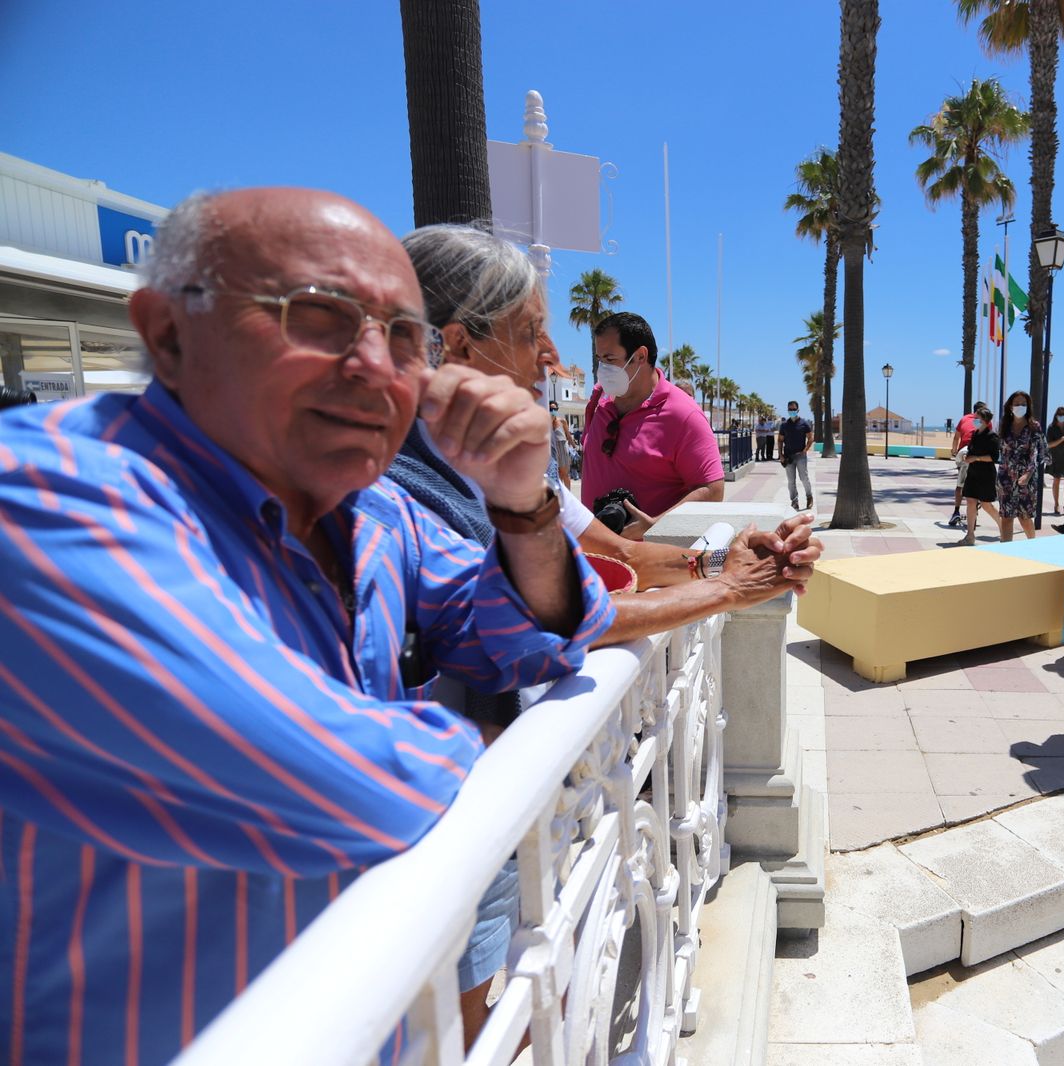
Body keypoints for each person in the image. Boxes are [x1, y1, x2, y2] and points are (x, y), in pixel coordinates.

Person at [0, 188, 618, 1065]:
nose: (372, 366)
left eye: (404, 337)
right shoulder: (48, 494)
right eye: (318, 317)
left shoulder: (373, 515)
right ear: (168, 333)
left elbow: (529, 636)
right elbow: (327, 780)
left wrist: (523, 504)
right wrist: (484, 744)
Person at [391, 224, 820, 1040]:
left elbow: (612, 556)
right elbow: (554, 622)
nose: (553, 356)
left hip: (519, 789)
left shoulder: (497, 457)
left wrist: (716, 561)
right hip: (448, 804)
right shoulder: (409, 486)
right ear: (458, 345)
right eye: (529, 331)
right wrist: (727, 590)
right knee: (475, 1022)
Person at [581, 311, 725, 536]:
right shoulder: (598, 400)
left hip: (647, 554)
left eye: (610, 359)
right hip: (593, 551)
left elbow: (713, 489)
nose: (603, 369)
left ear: (640, 356)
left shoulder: (683, 414)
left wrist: (656, 524)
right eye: (599, 359)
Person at [996, 390, 1047, 541]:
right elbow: (1001, 450)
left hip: (1027, 478)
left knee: (1024, 517)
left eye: (1023, 404)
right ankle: (1006, 550)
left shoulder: (1034, 426)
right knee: (1006, 517)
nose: (1020, 406)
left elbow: (1037, 452)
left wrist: (1028, 474)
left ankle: (1032, 546)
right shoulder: (1004, 425)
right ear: (1010, 406)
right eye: (1017, 403)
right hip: (1006, 476)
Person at [958, 407, 1002, 545]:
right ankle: (970, 535)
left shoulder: (992, 437)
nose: (975, 420)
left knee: (986, 505)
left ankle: (1003, 528)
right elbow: (971, 451)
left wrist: (976, 458)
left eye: (977, 419)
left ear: (985, 420)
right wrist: (966, 456)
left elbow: (994, 457)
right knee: (970, 502)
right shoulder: (975, 434)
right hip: (973, 473)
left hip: (986, 475)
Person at [949, 400, 985, 527]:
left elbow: (956, 437)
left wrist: (954, 451)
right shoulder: (985, 420)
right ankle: (975, 506)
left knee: (960, 484)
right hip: (975, 454)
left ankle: (956, 511)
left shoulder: (964, 419)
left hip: (963, 453)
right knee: (978, 482)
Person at [779, 399, 815, 510]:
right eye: (790, 409)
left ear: (798, 410)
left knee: (804, 478)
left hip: (800, 457)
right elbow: (780, 440)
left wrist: (805, 450)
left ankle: (809, 497)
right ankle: (794, 501)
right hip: (788, 456)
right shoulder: (784, 425)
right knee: (791, 481)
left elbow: (810, 438)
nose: (792, 411)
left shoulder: (804, 424)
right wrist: (781, 455)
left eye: (794, 409)